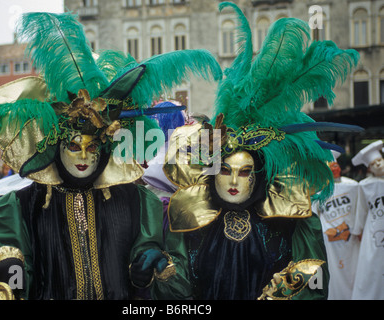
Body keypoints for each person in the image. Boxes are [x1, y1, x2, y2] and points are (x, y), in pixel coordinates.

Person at [0, 12, 221, 300]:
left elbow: (177, 277)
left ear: (105, 148)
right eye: (73, 146)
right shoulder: (22, 205)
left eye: (92, 147)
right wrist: (4, 268)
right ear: (56, 147)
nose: (83, 155)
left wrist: (156, 267)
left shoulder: (139, 203)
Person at [163, 2, 361, 300]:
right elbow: (175, 288)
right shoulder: (194, 218)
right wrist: (157, 275)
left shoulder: (286, 219)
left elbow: (312, 281)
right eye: (226, 170)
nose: (233, 182)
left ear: (258, 177)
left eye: (244, 173)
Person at [313, 151, 361, 299]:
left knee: (354, 270)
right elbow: (315, 215)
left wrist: (358, 229)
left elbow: (360, 210)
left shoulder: (353, 185)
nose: (334, 169)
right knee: (333, 273)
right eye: (330, 166)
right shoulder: (319, 190)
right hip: (330, 240)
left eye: (335, 165)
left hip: (352, 238)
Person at [351, 140, 384, 300]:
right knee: (373, 267)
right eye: (373, 164)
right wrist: (358, 230)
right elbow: (361, 210)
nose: (378, 165)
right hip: (374, 232)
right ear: (369, 168)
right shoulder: (364, 185)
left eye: (379, 161)